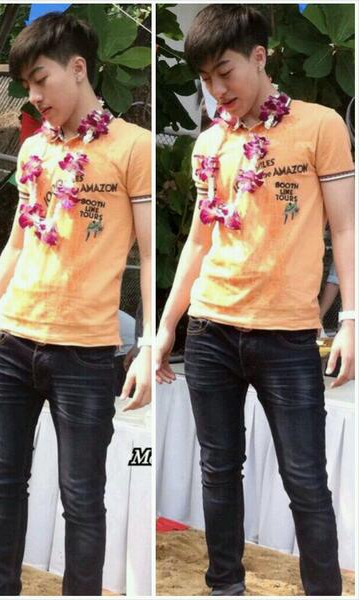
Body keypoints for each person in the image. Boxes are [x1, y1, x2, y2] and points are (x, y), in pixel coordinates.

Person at [155, 5, 354, 596]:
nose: (217, 90)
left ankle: (323, 590)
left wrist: (351, 319)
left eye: (226, 72)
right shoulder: (210, 143)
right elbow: (198, 241)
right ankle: (225, 586)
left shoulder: (320, 126)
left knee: (305, 478)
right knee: (219, 471)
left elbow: (346, 229)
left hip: (288, 336)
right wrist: (166, 328)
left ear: (260, 57)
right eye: (206, 79)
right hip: (211, 330)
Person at [0, 12, 152, 596]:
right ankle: (1, 587)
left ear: (78, 68)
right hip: (12, 343)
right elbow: (18, 243)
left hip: (86, 352)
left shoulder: (133, 147)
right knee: (2, 482)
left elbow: (149, 254)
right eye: (27, 85)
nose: (35, 96)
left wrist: (148, 345)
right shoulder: (32, 151)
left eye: (41, 80)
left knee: (82, 495)